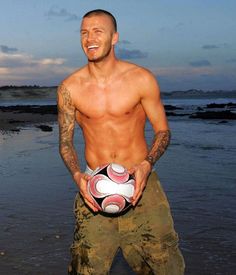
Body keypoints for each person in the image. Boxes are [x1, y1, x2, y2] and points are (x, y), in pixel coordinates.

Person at [57, 9, 185, 275]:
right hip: (93, 187)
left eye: (97, 31)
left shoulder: (141, 79)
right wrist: (77, 176)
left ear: (114, 38)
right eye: (84, 32)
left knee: (165, 264)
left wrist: (147, 164)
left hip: (142, 184)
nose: (89, 38)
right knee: (85, 267)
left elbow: (163, 131)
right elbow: (65, 142)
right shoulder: (70, 88)